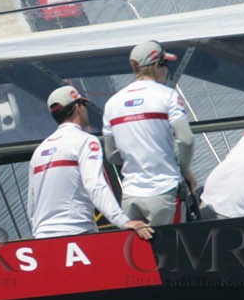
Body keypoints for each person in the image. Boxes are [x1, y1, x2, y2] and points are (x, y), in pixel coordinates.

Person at [28, 85, 154, 240]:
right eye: (84, 105)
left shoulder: (39, 151)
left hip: (42, 239)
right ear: (77, 107)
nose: (86, 110)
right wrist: (123, 221)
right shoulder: (86, 141)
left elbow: (32, 203)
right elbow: (95, 185)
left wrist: (36, 234)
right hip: (77, 234)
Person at [102, 39, 197, 225]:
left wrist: (135, 159)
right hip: (165, 191)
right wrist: (183, 169)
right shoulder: (168, 96)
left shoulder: (112, 104)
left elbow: (111, 155)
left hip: (130, 196)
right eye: (165, 64)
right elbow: (186, 140)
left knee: (141, 254)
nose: (167, 70)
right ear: (155, 65)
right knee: (174, 250)